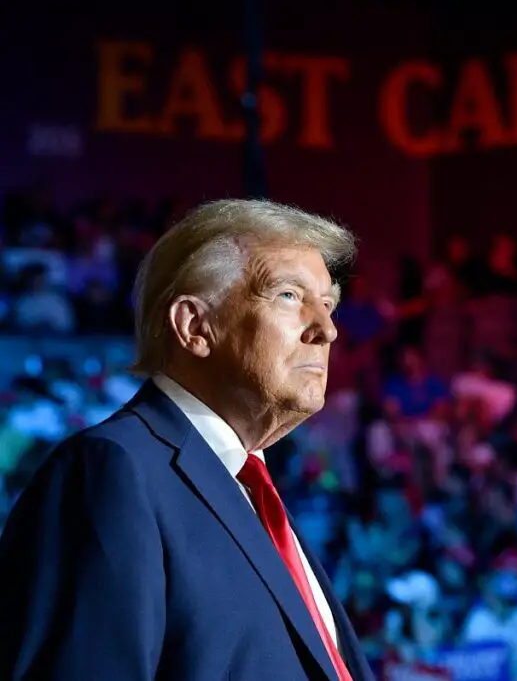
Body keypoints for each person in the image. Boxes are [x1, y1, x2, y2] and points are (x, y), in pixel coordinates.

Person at [0, 199, 373, 681]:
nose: (326, 329)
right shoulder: (112, 471)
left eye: (327, 304)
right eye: (288, 296)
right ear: (195, 327)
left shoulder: (251, 490)